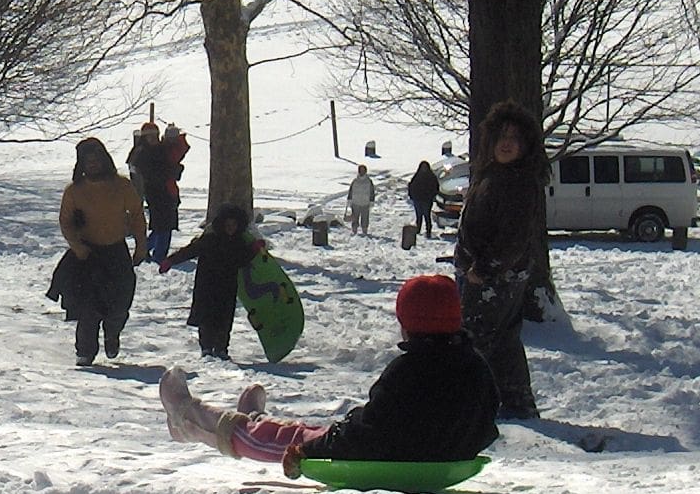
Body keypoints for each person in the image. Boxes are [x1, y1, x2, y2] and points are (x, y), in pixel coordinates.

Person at [157, 274, 498, 472]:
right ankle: (254, 419)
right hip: (438, 461)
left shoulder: (409, 371)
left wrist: (312, 452)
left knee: (280, 440)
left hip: (376, 460)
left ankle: (188, 418)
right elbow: (486, 427)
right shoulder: (476, 365)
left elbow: (370, 434)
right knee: (314, 431)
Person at [454, 101, 545, 420]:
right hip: (486, 272)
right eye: (501, 136)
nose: (506, 144)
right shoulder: (493, 175)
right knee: (504, 341)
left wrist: (485, 267)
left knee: (476, 338)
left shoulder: (518, 182)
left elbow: (514, 236)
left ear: (526, 145)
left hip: (496, 276)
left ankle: (473, 406)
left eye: (515, 138)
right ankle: (517, 403)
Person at [49, 137, 142, 365]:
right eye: (87, 160)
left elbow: (137, 216)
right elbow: (66, 222)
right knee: (89, 308)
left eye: (96, 159)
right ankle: (85, 351)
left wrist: (141, 245)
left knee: (119, 304)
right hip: (88, 256)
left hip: (117, 253)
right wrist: (77, 247)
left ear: (105, 160)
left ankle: (113, 333)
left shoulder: (122, 186)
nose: (92, 164)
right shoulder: (74, 191)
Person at [159, 203, 256, 360]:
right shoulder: (209, 240)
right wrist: (170, 261)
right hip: (207, 286)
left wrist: (254, 249)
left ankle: (221, 348)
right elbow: (190, 251)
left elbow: (243, 260)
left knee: (225, 319)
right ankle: (206, 347)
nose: (230, 228)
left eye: (234, 225)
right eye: (228, 224)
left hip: (227, 287)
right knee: (206, 318)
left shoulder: (239, 244)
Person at [129, 121, 178, 264]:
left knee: (163, 225)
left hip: (167, 192)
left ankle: (146, 250)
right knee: (163, 226)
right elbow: (152, 175)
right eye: (150, 136)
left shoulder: (160, 149)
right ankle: (158, 255)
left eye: (155, 135)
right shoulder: (141, 153)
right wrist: (171, 172)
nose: (153, 139)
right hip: (155, 194)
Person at [407, 159, 442, 237]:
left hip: (427, 200)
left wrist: (432, 196)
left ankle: (428, 230)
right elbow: (411, 186)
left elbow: (435, 187)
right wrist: (412, 195)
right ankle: (418, 229)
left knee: (427, 216)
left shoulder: (431, 177)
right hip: (418, 199)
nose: (424, 169)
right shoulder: (417, 176)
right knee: (418, 216)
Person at [346, 164, 375, 235]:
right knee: (355, 218)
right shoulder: (355, 181)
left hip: (365, 203)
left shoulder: (369, 181)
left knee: (365, 218)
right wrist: (349, 200)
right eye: (360, 170)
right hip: (355, 202)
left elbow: (372, 192)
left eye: (363, 170)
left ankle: (364, 231)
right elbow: (351, 190)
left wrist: (371, 201)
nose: (361, 172)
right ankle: (354, 230)